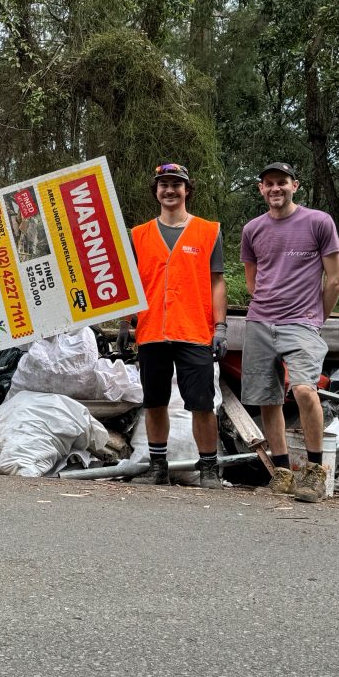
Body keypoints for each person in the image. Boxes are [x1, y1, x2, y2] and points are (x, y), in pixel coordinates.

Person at [241, 161, 339, 503]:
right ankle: (282, 473)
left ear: (294, 186)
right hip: (260, 322)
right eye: (268, 183)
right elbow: (253, 281)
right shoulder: (252, 229)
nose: (275, 189)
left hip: (301, 323)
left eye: (282, 182)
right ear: (261, 189)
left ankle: (314, 472)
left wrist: (316, 320)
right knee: (267, 398)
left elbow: (335, 280)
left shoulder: (318, 222)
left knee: (303, 389)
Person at [127, 162, 227, 488]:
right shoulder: (138, 235)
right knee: (154, 402)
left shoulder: (208, 231)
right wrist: (127, 323)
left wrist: (221, 326)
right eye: (164, 185)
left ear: (187, 190)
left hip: (194, 330)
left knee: (202, 403)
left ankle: (209, 469)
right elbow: (131, 283)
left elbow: (217, 282)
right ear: (156, 191)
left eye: (176, 184)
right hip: (152, 329)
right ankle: (158, 467)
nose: (170, 190)